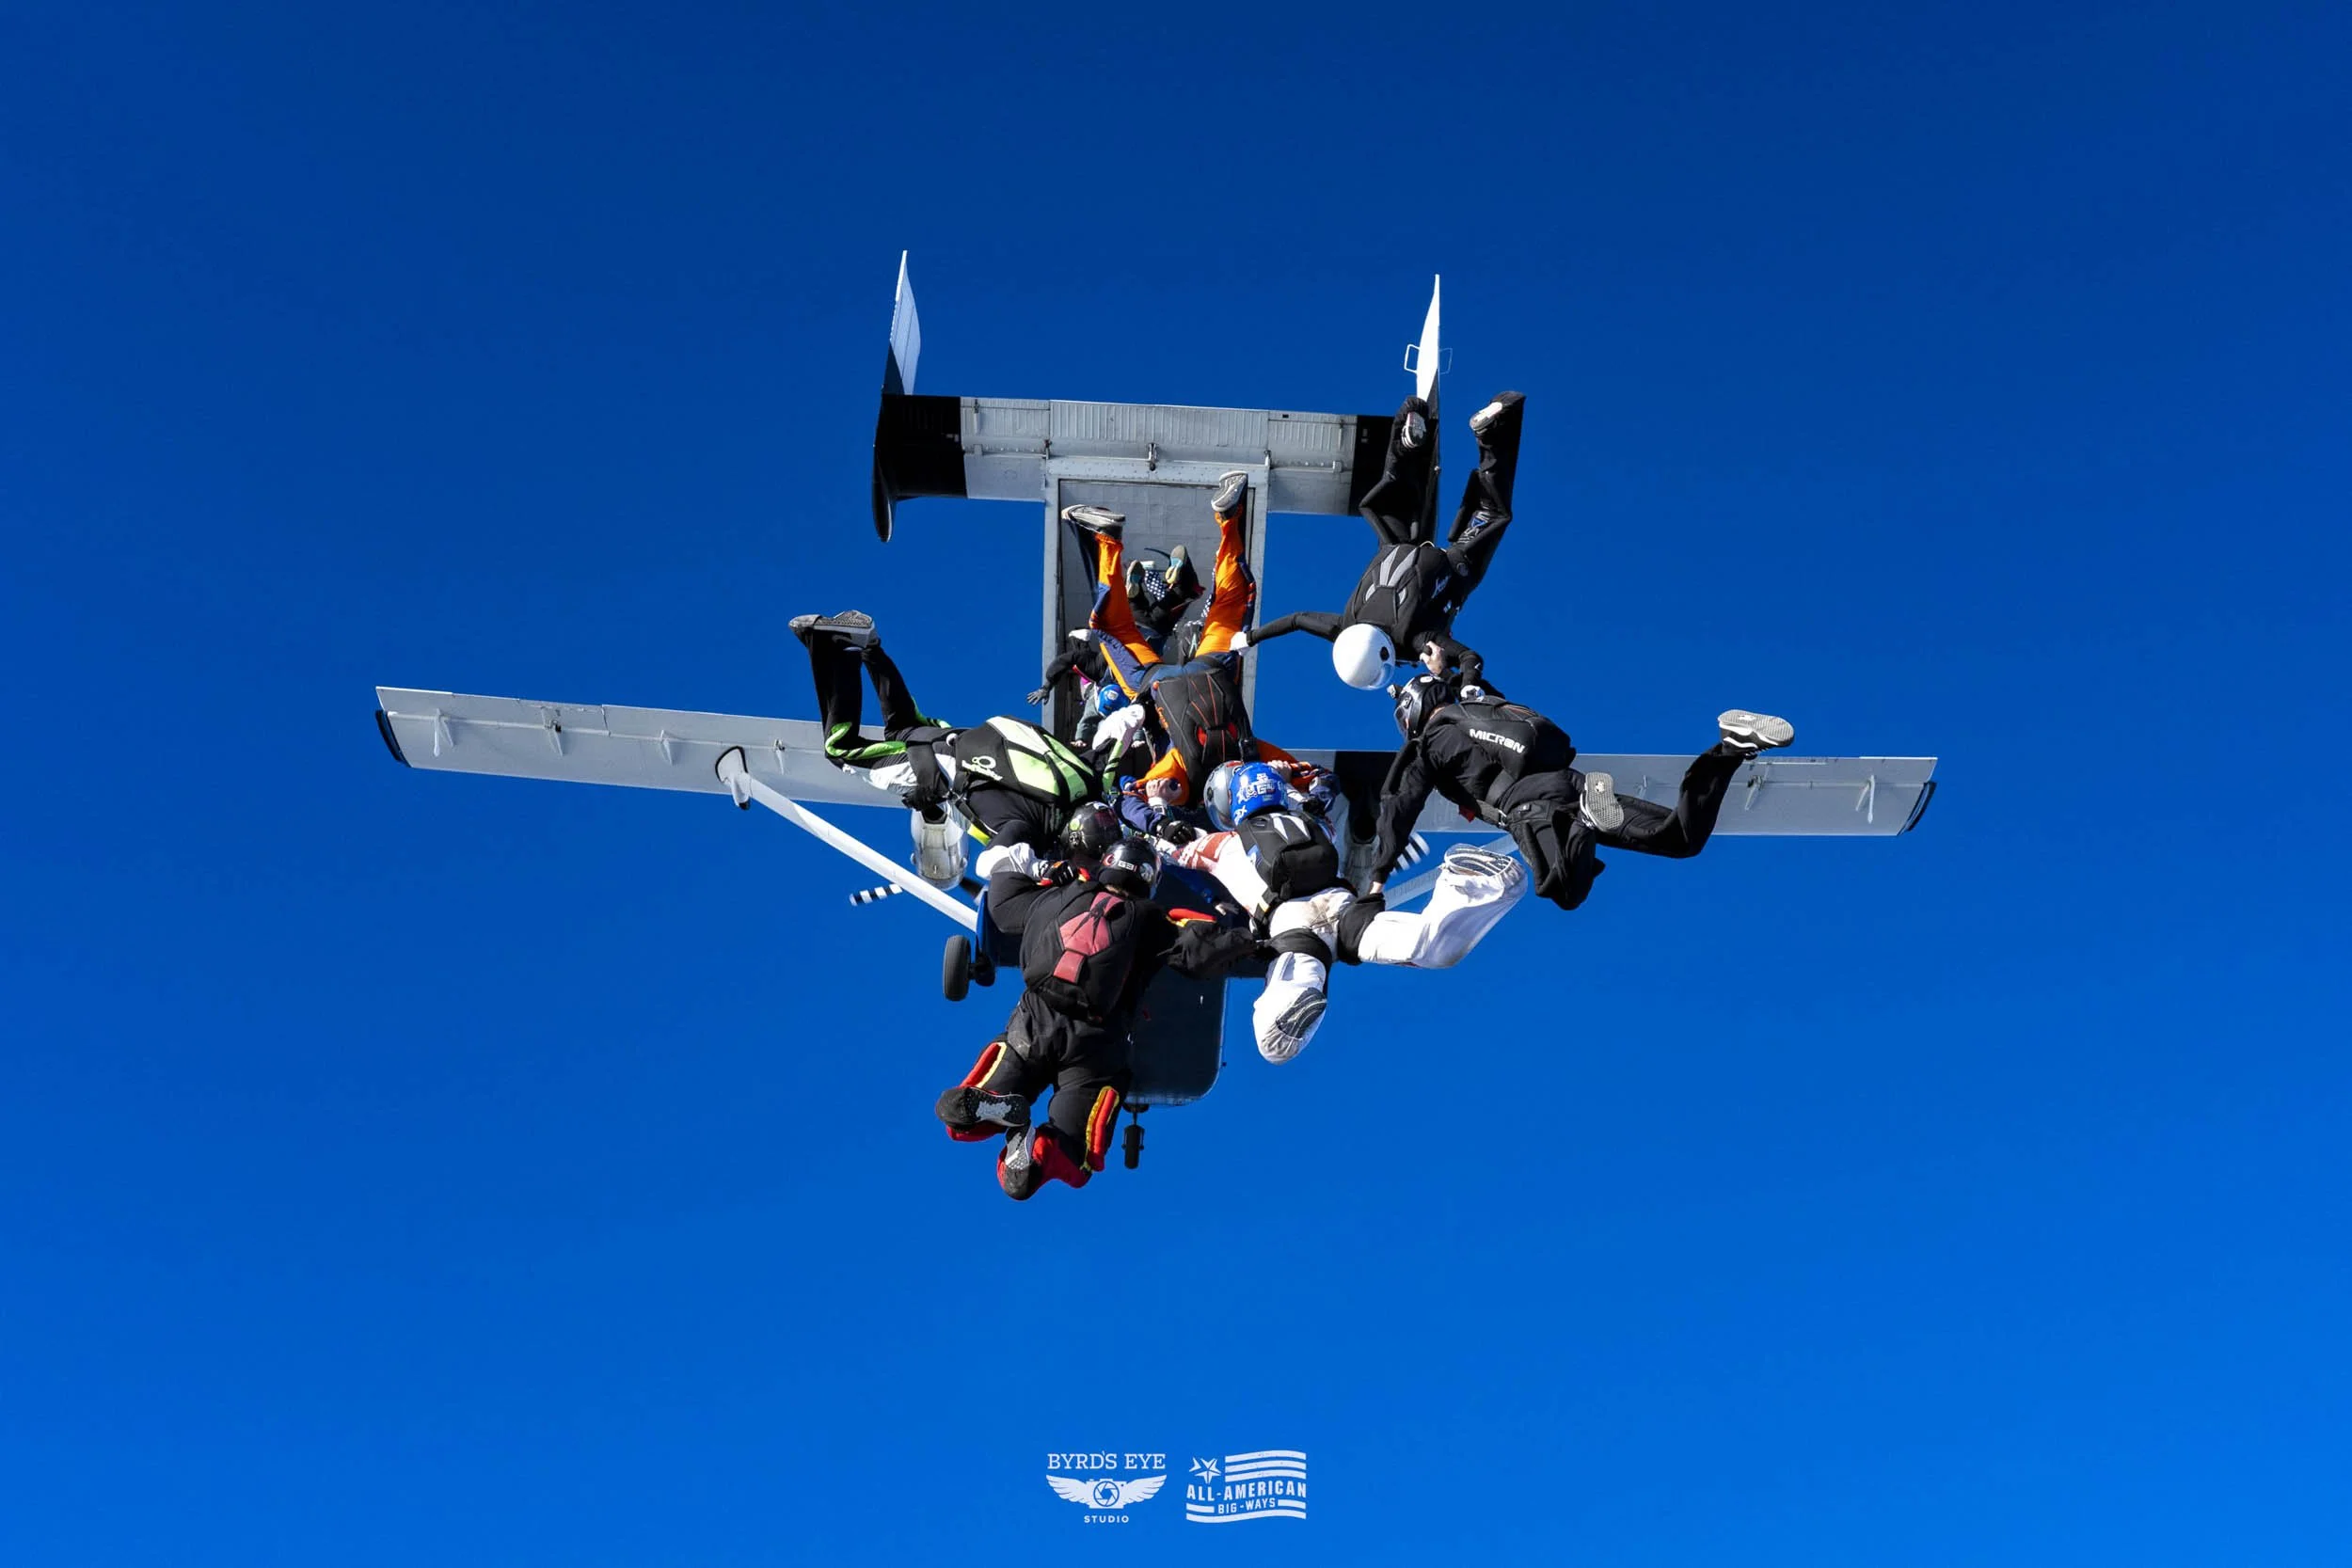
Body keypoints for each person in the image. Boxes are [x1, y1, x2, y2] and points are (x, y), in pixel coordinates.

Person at [934, 837, 1264, 1199]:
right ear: (1149, 881)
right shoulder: (1152, 918)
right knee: (1076, 1161)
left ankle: (983, 1105)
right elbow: (1200, 950)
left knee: (960, 1123)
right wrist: (1259, 937)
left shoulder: (1052, 897)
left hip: (1031, 1024)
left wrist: (1026, 861)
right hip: (1095, 1045)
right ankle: (1028, 1157)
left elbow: (1001, 903)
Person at [1158, 761, 1526, 1063]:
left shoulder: (1221, 845)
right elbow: (1326, 782)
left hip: (1294, 927)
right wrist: (1290, 775)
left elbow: (1162, 844)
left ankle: (1296, 998)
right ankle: (1473, 883)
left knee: (1274, 1044)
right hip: (1344, 912)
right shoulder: (1314, 823)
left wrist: (1153, 810)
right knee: (1432, 946)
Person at [1370, 674, 1795, 911]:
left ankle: (1587, 820)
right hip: (1569, 780)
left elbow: (1399, 804)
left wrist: (1377, 877)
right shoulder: (1481, 704)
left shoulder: (1429, 744)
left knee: (1563, 889)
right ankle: (1729, 749)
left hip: (1530, 805)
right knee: (1679, 839)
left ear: (1413, 717)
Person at [1241, 390, 1525, 691]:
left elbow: (1470, 657)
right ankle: (1407, 439)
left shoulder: (1413, 642)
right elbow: (1296, 620)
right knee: (1395, 495)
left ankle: (1493, 432)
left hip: (1455, 567)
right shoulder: (1342, 627)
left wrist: (1466, 685)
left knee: (1492, 512)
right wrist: (1248, 639)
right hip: (1394, 544)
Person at [1063, 471, 1307, 810]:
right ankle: (1105, 539)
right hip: (1159, 686)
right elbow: (1138, 793)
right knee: (1114, 628)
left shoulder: (1253, 756)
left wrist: (1292, 777)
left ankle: (1229, 518)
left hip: (1212, 672)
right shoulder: (1186, 777)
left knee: (1229, 606)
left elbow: (1307, 773)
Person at [789, 610, 1104, 856]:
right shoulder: (1034, 835)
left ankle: (868, 644)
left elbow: (1113, 741)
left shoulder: (1082, 783)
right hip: (941, 767)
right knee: (841, 751)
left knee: (902, 726)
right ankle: (839, 648)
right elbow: (989, 861)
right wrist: (931, 792)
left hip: (963, 740)